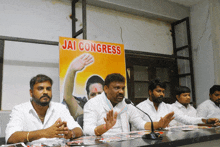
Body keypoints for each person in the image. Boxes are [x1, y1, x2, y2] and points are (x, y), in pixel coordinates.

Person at [83, 73, 175, 136]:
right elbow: (87, 129)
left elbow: (140, 124)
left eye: (123, 88)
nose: (121, 91)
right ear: (106, 89)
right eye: (117, 88)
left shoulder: (127, 104)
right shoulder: (92, 104)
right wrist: (104, 127)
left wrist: (158, 124)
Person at [6, 74, 83, 144]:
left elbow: (79, 130)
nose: (45, 92)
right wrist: (44, 133)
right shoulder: (20, 110)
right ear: (31, 92)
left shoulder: (60, 108)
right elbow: (11, 137)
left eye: (48, 89)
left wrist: (70, 133)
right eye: (40, 88)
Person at [136, 78, 219, 127]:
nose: (161, 94)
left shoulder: (168, 108)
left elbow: (187, 119)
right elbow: (136, 127)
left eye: (163, 92)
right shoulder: (140, 107)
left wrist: (207, 121)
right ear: (150, 92)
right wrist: (157, 125)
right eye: (158, 91)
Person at [62, 53, 104, 119]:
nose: (96, 97)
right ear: (88, 97)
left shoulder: (114, 112)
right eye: (93, 94)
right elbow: (67, 97)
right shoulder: (85, 114)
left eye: (99, 93)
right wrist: (72, 70)